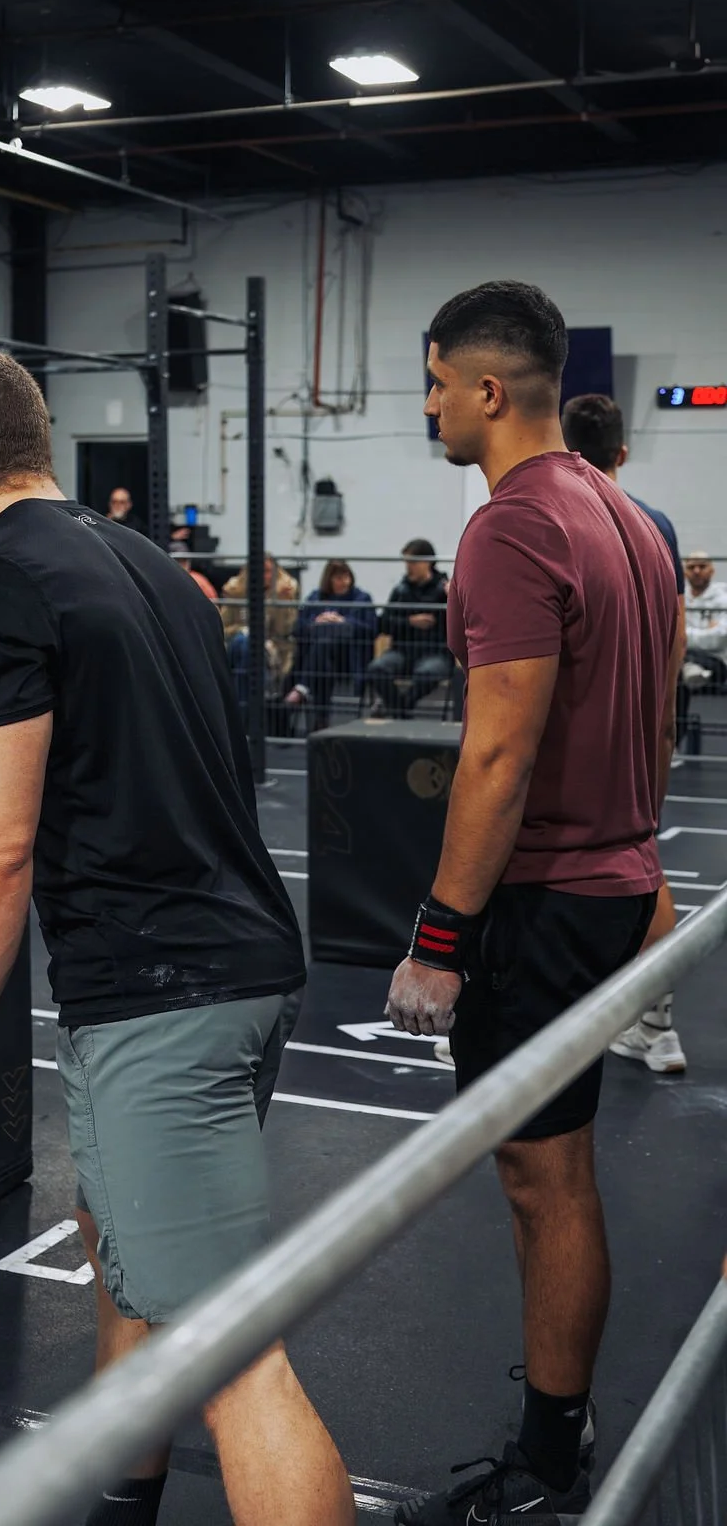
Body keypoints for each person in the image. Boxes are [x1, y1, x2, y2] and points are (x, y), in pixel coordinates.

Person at [0, 349, 354, 1526]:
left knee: (230, 1352)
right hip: (236, 968)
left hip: (163, 998)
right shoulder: (151, 566)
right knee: (121, 1249)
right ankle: (123, 1498)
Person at [387, 283, 679, 1525]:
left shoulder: (511, 526)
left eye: (436, 383)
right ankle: (561, 1426)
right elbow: (657, 722)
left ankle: (550, 1463)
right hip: (616, 885)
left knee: (541, 1182)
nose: (430, 406)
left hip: (546, 903)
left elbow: (497, 755)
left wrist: (438, 942)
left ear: (487, 389)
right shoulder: (625, 516)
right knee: (551, 1174)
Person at [562, 392, 688, 1075]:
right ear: (623, 451)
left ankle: (505, 1031)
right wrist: (660, 741)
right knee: (639, 859)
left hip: (573, 733)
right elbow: (672, 645)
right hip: (632, 731)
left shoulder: (552, 515)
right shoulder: (654, 524)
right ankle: (657, 1024)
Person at [284, 560, 375, 730]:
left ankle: (303, 688)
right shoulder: (315, 597)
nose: (344, 582)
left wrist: (343, 622)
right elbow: (298, 628)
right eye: (339, 578)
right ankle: (319, 719)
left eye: (347, 577)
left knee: (323, 646)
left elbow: (371, 629)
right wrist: (316, 621)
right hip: (320, 661)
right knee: (322, 657)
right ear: (329, 579)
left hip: (348, 659)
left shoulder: (362, 598)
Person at [366, 542, 452, 719]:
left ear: (427, 562)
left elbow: (458, 623)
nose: (408, 568)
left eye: (412, 562)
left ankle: (400, 709)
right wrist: (410, 622)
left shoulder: (444, 591)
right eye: (406, 562)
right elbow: (384, 623)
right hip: (402, 650)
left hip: (436, 651)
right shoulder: (400, 590)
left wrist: (453, 598)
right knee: (377, 668)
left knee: (428, 673)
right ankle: (401, 712)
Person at [221, 553, 299, 711]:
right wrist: (243, 630)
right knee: (243, 643)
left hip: (272, 649)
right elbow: (223, 627)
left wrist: (283, 605)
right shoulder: (236, 591)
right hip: (236, 647)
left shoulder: (284, 591)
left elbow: (284, 631)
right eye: (257, 570)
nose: (262, 575)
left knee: (247, 648)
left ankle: (239, 708)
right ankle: (248, 707)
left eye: (267, 571)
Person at [681, 551, 727, 688]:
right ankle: (692, 671)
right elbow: (671, 636)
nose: (696, 571)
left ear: (712, 570)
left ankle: (692, 670)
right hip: (682, 658)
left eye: (702, 566)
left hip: (716, 662)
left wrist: (684, 634)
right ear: (684, 572)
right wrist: (708, 630)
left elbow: (718, 640)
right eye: (691, 567)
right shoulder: (678, 600)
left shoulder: (723, 600)